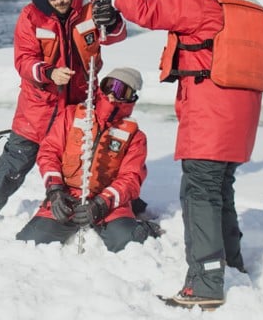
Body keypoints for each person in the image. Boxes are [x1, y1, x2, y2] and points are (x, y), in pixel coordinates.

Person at [92, 0, 263, 310]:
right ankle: (233, 265)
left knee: (199, 196)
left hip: (208, 119)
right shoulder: (256, 11)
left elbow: (146, 11)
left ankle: (205, 282)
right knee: (219, 190)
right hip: (242, 125)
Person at [0, 0, 127, 234]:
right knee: (11, 168)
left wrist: (111, 20)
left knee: (79, 168)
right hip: (38, 109)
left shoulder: (90, 7)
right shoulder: (31, 16)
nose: (59, 1)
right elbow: (23, 60)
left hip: (78, 106)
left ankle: (77, 218)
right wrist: (48, 72)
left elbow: (115, 36)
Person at [16, 67, 160, 250]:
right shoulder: (71, 115)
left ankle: (145, 228)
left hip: (107, 205)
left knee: (129, 242)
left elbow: (131, 178)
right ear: (101, 87)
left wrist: (101, 203)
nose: (113, 95)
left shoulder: (136, 137)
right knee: (29, 243)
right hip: (68, 197)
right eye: (110, 86)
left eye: (123, 91)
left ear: (132, 98)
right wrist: (55, 190)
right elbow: (49, 153)